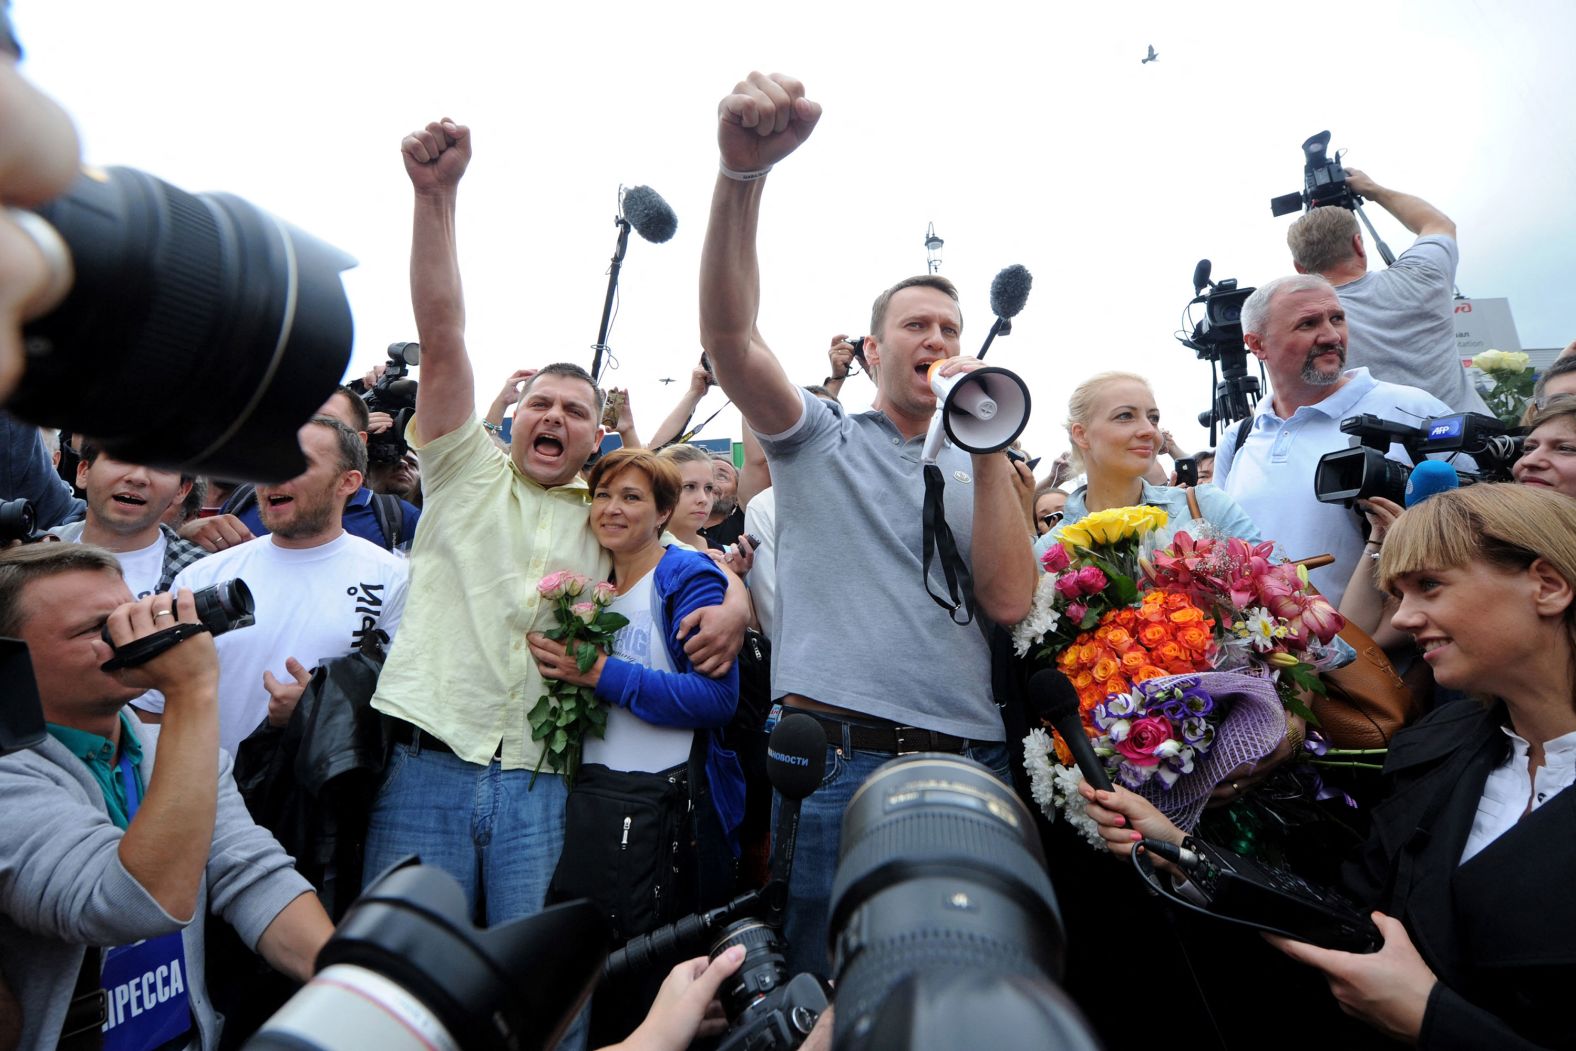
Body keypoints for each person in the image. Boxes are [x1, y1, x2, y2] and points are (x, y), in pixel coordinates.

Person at [362, 119, 745, 964]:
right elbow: (443, 332)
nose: (555, 417)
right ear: (514, 412)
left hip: (545, 781)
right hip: (431, 764)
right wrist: (435, 199)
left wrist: (740, 596)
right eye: (541, 402)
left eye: (575, 411)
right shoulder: (463, 467)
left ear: (593, 435)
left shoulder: (609, 511)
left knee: (539, 991)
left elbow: (695, 551)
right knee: (397, 983)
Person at [697, 71, 1037, 977]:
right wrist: (742, 178)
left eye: (952, 327)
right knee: (826, 989)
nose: (937, 340)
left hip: (971, 761)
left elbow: (1008, 597)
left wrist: (988, 440)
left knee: (970, 994)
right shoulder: (820, 439)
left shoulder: (985, 460)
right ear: (873, 345)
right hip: (838, 763)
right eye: (917, 325)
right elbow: (732, 341)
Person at [1085, 483, 1576, 1048]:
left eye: (1430, 586)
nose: (1408, 619)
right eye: (1397, 594)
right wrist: (1183, 851)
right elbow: (1354, 919)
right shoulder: (1435, 749)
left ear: (1548, 585)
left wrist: (1432, 1020)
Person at [0, 544, 333, 1051]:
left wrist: (357, 983)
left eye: (127, 614)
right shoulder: (9, 781)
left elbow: (252, 875)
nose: (133, 637)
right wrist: (191, 688)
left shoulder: (171, 753)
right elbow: (131, 906)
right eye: (97, 630)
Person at [528, 448, 741, 1042]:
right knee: (603, 984)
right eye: (602, 495)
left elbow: (715, 700)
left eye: (632, 498)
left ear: (664, 512)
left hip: (670, 814)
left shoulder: (684, 576)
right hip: (598, 806)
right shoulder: (591, 581)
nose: (612, 509)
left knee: (656, 991)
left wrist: (599, 673)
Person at [134, 416, 410, 752]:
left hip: (324, 797)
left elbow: (403, 709)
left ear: (348, 482)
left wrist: (321, 710)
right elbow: (151, 706)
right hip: (207, 794)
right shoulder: (201, 576)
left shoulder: (394, 580)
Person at [1214, 274, 1457, 607]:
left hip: (1385, 650)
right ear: (1257, 345)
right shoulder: (1238, 437)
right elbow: (1221, 545)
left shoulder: (1412, 409)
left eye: (1337, 318)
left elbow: (1469, 537)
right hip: (1270, 653)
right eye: (1307, 324)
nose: (1330, 335)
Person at [1287, 172, 1488, 416]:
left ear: (1300, 268)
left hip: (1378, 452)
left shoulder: (1299, 324)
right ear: (1359, 244)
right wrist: (1372, 189)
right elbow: (1438, 224)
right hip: (1471, 442)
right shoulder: (1423, 274)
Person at [1036, 373, 1260, 561]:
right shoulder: (1049, 551)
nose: (1150, 431)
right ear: (1081, 434)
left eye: (1153, 418)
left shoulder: (1207, 506)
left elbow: (1273, 589)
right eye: (1125, 416)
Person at [196, 385, 423, 555]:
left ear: (359, 440)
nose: (305, 429)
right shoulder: (247, 498)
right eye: (298, 419)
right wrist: (190, 535)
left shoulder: (401, 520)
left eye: (325, 421)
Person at [46, 436, 206, 596]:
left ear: (182, 490)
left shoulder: (205, 576)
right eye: (121, 458)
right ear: (83, 472)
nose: (138, 478)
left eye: (161, 466)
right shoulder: (38, 551)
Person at [657, 442, 718, 551]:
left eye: (708, 488)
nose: (703, 499)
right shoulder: (638, 555)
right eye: (689, 486)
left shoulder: (725, 554)